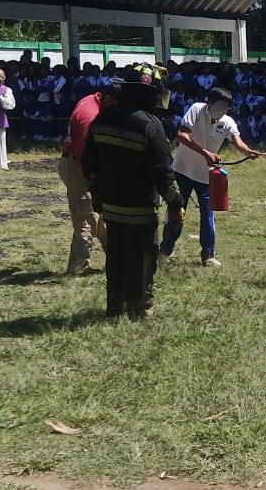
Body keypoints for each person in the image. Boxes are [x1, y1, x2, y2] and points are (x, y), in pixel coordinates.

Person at [82, 68, 182, 320]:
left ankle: (115, 307)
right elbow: (163, 173)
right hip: (140, 209)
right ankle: (141, 308)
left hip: (112, 206)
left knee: (116, 257)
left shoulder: (103, 118)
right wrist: (176, 202)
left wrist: (96, 193)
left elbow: (88, 162)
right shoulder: (150, 125)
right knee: (143, 260)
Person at [159, 86, 264, 269]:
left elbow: (236, 141)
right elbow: (182, 135)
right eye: (219, 106)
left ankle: (208, 255)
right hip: (182, 171)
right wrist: (205, 153)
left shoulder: (228, 122)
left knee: (208, 215)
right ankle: (165, 251)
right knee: (176, 213)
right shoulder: (197, 109)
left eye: (226, 108)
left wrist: (247, 151)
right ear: (210, 103)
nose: (222, 111)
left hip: (206, 177)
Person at [59, 78, 116, 275]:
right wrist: (94, 185)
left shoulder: (92, 100)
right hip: (77, 166)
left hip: (79, 162)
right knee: (85, 218)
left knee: (101, 217)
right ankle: (77, 268)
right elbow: (84, 156)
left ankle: (117, 257)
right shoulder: (89, 117)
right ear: (108, 99)